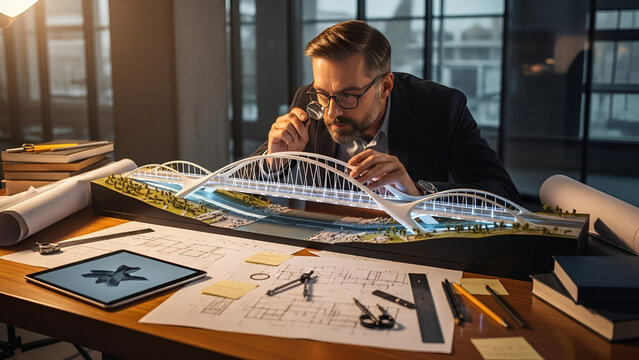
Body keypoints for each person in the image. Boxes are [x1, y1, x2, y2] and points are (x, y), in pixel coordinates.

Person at [253, 20, 520, 203]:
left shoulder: (441, 107)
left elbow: (502, 193)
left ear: (385, 86)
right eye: (323, 93)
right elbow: (235, 185)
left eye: (348, 95)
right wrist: (274, 163)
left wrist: (416, 192)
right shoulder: (308, 99)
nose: (331, 112)